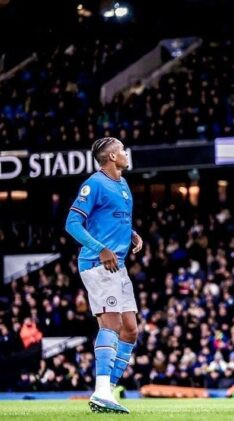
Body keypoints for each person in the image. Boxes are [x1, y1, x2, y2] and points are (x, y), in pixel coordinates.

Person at [65, 137, 142, 414]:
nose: (125, 153)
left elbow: (113, 218)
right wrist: (100, 249)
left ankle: (107, 391)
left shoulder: (122, 183)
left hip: (118, 264)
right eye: (122, 150)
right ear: (110, 157)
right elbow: (72, 223)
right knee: (110, 324)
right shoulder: (93, 184)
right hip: (98, 264)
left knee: (131, 329)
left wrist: (130, 234)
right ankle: (100, 391)